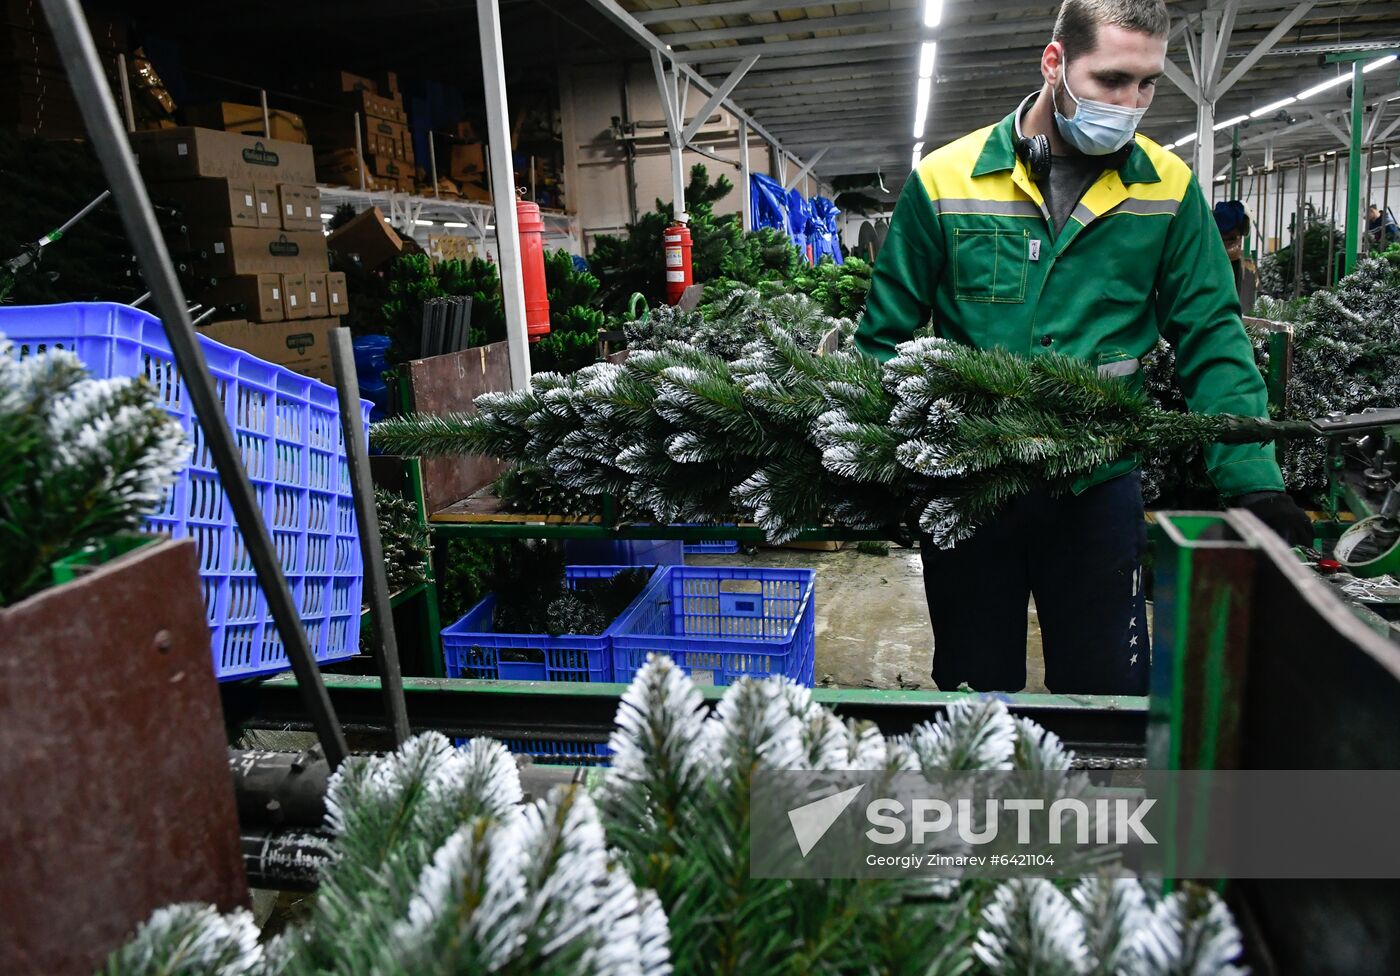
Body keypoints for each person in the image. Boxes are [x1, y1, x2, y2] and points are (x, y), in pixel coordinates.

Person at [855, 0, 1311, 696]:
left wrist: (1251, 476)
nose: (1132, 103)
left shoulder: (1167, 188)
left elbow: (1211, 331)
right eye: (1111, 80)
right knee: (975, 699)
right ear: (1055, 62)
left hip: (1097, 491)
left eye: (1147, 83)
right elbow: (883, 338)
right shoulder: (945, 182)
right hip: (970, 491)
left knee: (1107, 699)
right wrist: (881, 467)